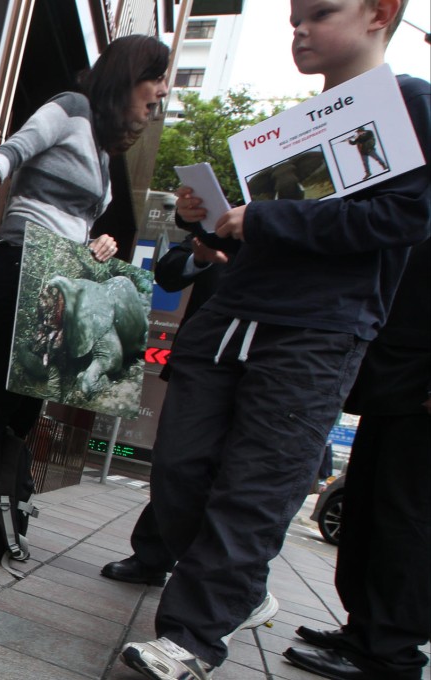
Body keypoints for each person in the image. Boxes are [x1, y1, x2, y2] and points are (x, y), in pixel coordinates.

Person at [120, 1, 430, 678]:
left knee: (256, 486)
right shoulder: (292, 128)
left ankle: (192, 637)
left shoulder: (408, 105)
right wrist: (210, 217)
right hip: (233, 315)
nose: (300, 29)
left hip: (320, 330)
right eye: (294, 15)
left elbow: (406, 217)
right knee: (178, 471)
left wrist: (265, 220)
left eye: (320, 13)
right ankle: (242, 590)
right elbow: (265, 222)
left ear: (381, 13)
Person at [0, 34, 171, 563]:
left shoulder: (105, 153)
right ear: (129, 74)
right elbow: (18, 145)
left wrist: (99, 243)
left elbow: (75, 222)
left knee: (22, 410)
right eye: (155, 78)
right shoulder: (72, 109)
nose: (160, 91)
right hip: (21, 267)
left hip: (56, 283)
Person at [284, 238, 429, 679]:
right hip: (397, 382)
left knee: (406, 521)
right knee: (369, 512)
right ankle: (364, 631)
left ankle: (389, 652)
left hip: (420, 391)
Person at [102, 234, 229, 586]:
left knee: (236, 476)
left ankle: (216, 574)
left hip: (277, 361)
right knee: (175, 461)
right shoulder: (231, 212)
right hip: (206, 355)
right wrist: (202, 257)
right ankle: (153, 554)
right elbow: (171, 269)